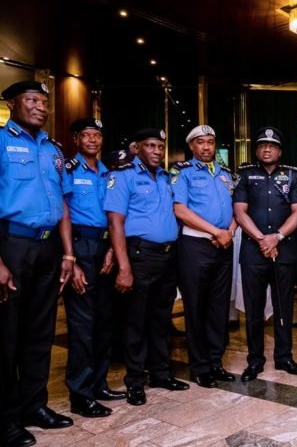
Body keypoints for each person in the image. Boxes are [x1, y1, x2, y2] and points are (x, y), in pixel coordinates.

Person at [0, 81, 76, 447]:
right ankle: (6, 418)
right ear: (13, 103)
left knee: (40, 333)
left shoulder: (53, 149)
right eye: (32, 100)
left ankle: (34, 406)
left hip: (47, 250)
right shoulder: (1, 142)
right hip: (11, 245)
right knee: (7, 336)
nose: (40, 107)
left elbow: (62, 204)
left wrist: (68, 254)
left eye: (44, 102)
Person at [103, 128, 189, 406]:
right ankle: (135, 381)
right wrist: (124, 266)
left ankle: (161, 374)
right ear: (136, 148)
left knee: (161, 319)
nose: (156, 151)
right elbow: (115, 222)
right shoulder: (123, 175)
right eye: (150, 145)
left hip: (167, 256)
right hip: (139, 255)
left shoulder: (165, 178)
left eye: (160, 146)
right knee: (135, 322)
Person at [63, 118, 126, 419]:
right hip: (80, 246)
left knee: (104, 322)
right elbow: (62, 213)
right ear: (76, 139)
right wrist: (70, 259)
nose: (92, 140)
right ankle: (80, 394)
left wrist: (113, 249)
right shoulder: (68, 169)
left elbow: (114, 216)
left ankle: (99, 384)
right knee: (82, 327)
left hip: (105, 248)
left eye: (97, 135)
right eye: (86, 135)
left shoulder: (107, 173)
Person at [233, 127, 297, 382]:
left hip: (283, 252)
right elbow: (240, 212)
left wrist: (277, 237)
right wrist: (263, 239)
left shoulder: (292, 176)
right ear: (256, 150)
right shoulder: (245, 175)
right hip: (253, 252)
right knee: (253, 309)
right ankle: (255, 360)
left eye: (272, 146)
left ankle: (284, 357)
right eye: (262, 145)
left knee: (284, 307)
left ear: (279, 150)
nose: (267, 149)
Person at [171, 125, 238, 388]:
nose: (207, 147)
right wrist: (216, 231)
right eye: (201, 142)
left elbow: (235, 209)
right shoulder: (183, 172)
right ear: (192, 146)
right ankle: (199, 366)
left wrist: (229, 232)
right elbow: (180, 210)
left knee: (219, 307)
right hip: (195, 245)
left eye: (210, 142)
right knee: (196, 307)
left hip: (223, 245)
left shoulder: (225, 174)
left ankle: (215, 361)